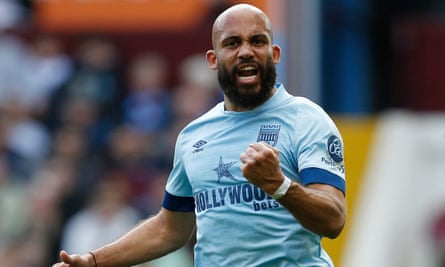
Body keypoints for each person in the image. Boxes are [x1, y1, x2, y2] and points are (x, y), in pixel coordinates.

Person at [52, 3, 346, 267]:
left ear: (275, 53)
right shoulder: (194, 136)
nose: (246, 51)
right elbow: (169, 228)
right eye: (232, 43)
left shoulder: (306, 120)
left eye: (258, 41)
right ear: (213, 59)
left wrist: (279, 185)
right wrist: (94, 261)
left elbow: (333, 219)